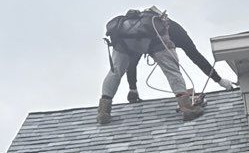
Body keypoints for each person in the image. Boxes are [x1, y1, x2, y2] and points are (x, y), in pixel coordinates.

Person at [99, 8, 232, 124]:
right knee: (172, 71)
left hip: (123, 40)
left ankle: (103, 112)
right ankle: (186, 108)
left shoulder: (136, 29)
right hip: (155, 44)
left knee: (115, 71)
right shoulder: (173, 30)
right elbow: (195, 57)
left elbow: (132, 62)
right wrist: (219, 80)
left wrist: (133, 89)